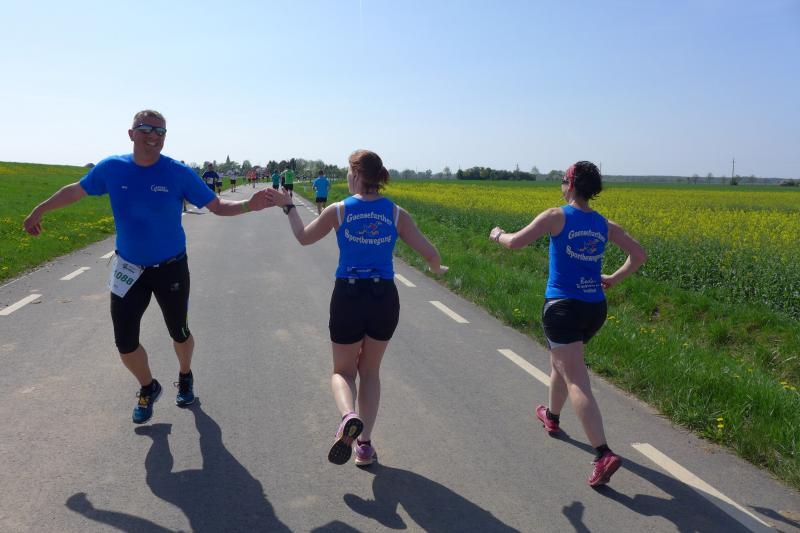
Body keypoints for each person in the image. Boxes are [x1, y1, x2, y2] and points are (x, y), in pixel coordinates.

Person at [23, 110, 275, 424]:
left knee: (179, 332)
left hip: (170, 268)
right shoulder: (112, 168)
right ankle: (148, 386)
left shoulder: (178, 173)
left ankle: (185, 375)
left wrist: (250, 204)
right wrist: (40, 210)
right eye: (146, 129)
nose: (154, 136)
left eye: (160, 131)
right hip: (128, 270)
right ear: (131, 134)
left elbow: (217, 206)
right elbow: (76, 190)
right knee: (125, 342)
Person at [268, 149, 447, 467]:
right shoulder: (396, 213)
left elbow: (303, 237)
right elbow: (430, 253)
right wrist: (436, 269)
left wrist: (289, 207)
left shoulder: (339, 210)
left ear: (356, 174)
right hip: (384, 298)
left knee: (343, 371)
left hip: (349, 296)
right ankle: (364, 446)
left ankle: (348, 416)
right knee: (370, 372)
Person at [489, 161, 646, 487]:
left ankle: (603, 453)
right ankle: (552, 416)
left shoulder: (556, 216)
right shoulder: (603, 224)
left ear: (571, 184)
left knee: (576, 379)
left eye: (563, 180)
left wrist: (498, 235)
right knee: (560, 364)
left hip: (563, 308)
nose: (561, 185)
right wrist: (614, 279)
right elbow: (639, 255)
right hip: (594, 309)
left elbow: (516, 243)